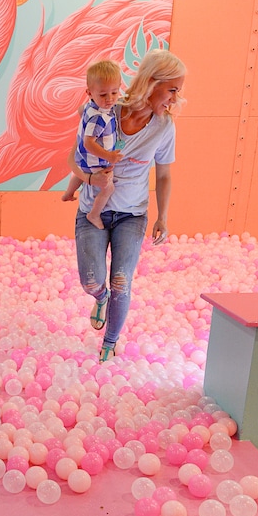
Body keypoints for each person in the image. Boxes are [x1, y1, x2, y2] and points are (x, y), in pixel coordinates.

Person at [71, 48, 186, 362]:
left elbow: (163, 175)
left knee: (122, 280)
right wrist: (87, 178)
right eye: (172, 89)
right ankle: (100, 297)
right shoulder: (108, 106)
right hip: (93, 210)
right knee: (92, 280)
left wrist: (163, 216)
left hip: (131, 215)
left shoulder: (164, 127)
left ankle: (109, 341)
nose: (176, 97)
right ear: (152, 82)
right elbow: (75, 155)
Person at [61, 60, 124, 230]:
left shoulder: (91, 106)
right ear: (89, 92)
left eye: (114, 92)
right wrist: (109, 156)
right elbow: (89, 143)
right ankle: (94, 214)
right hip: (95, 159)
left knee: (80, 174)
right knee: (108, 188)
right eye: (103, 95)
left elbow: (80, 110)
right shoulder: (98, 117)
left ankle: (68, 193)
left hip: (82, 158)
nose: (110, 99)